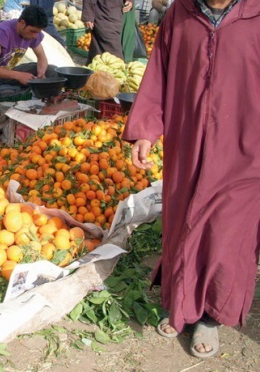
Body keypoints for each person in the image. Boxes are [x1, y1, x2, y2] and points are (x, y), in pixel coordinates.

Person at [122, 0, 259, 359]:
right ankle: (182, 303)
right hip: (188, 144)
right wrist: (146, 130)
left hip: (245, 149)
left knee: (228, 231)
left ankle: (212, 315)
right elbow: (158, 76)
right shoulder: (180, 13)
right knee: (184, 221)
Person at [0, 5, 58, 144]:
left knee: (52, 69)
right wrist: (18, 75)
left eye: (38, 32)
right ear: (22, 23)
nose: (35, 36)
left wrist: (41, 72)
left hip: (6, 72)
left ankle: (51, 110)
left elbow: (42, 58)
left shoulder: (33, 33)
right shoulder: (2, 31)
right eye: (32, 31)